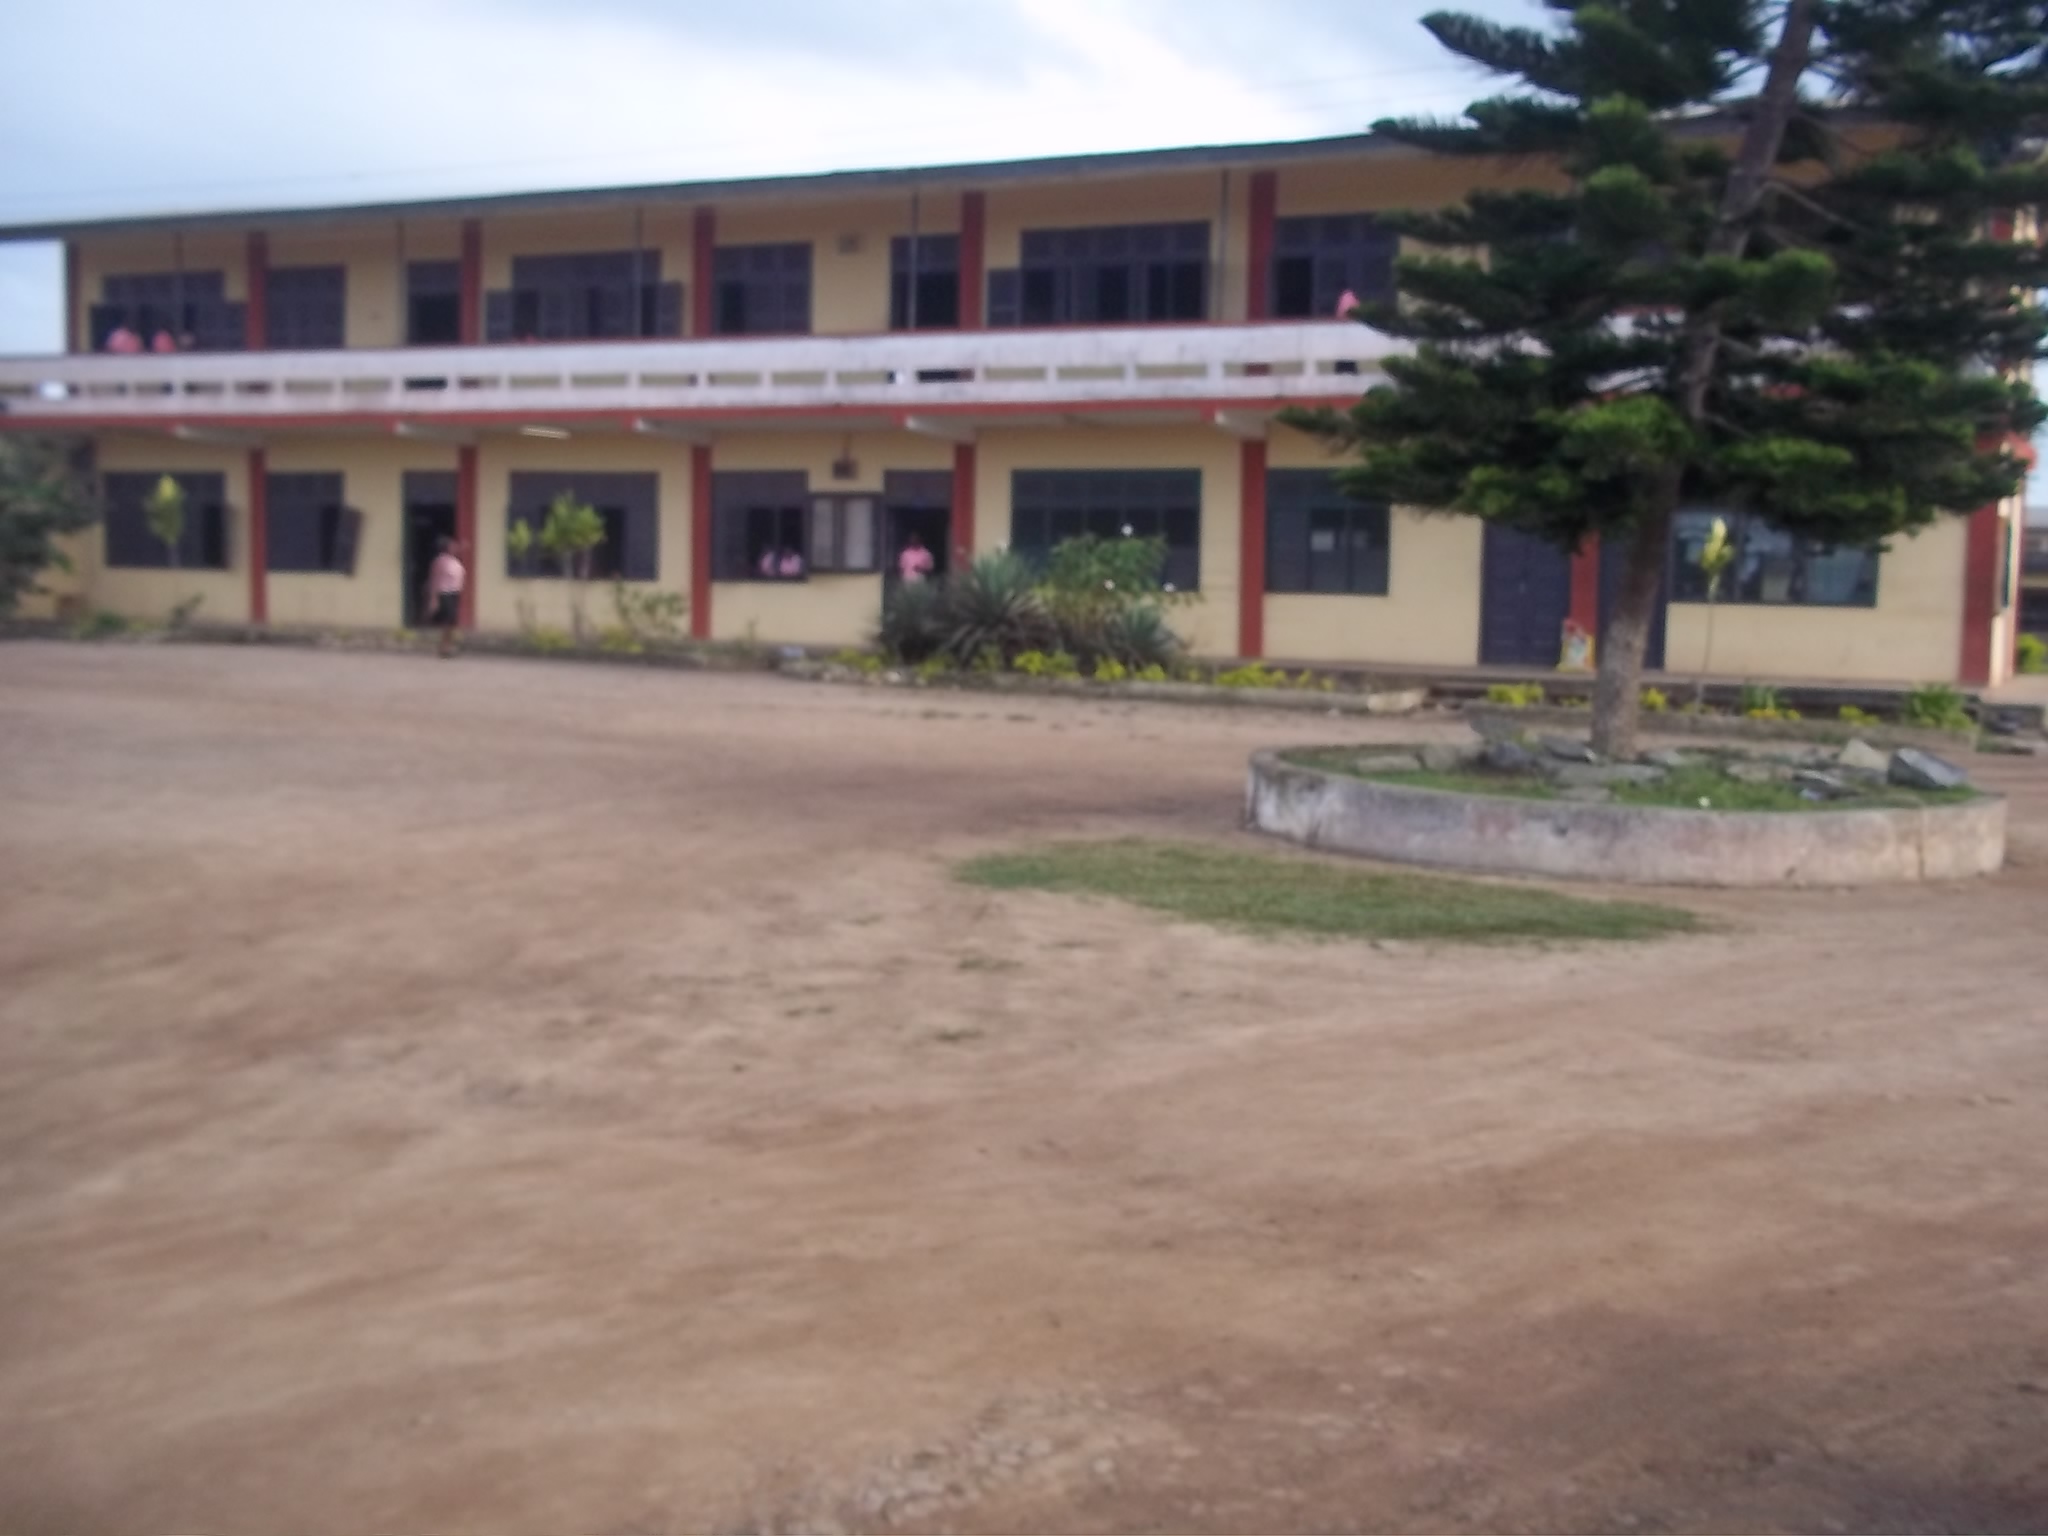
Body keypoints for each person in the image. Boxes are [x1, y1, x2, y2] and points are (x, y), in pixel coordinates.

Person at [425, 537, 466, 658]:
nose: (455, 548)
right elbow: (435, 579)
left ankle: (448, 646)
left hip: (454, 593)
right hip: (444, 593)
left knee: (452, 622)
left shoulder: (455, 561)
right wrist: (433, 597)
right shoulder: (440, 561)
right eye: (452, 546)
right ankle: (443, 647)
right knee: (447, 621)